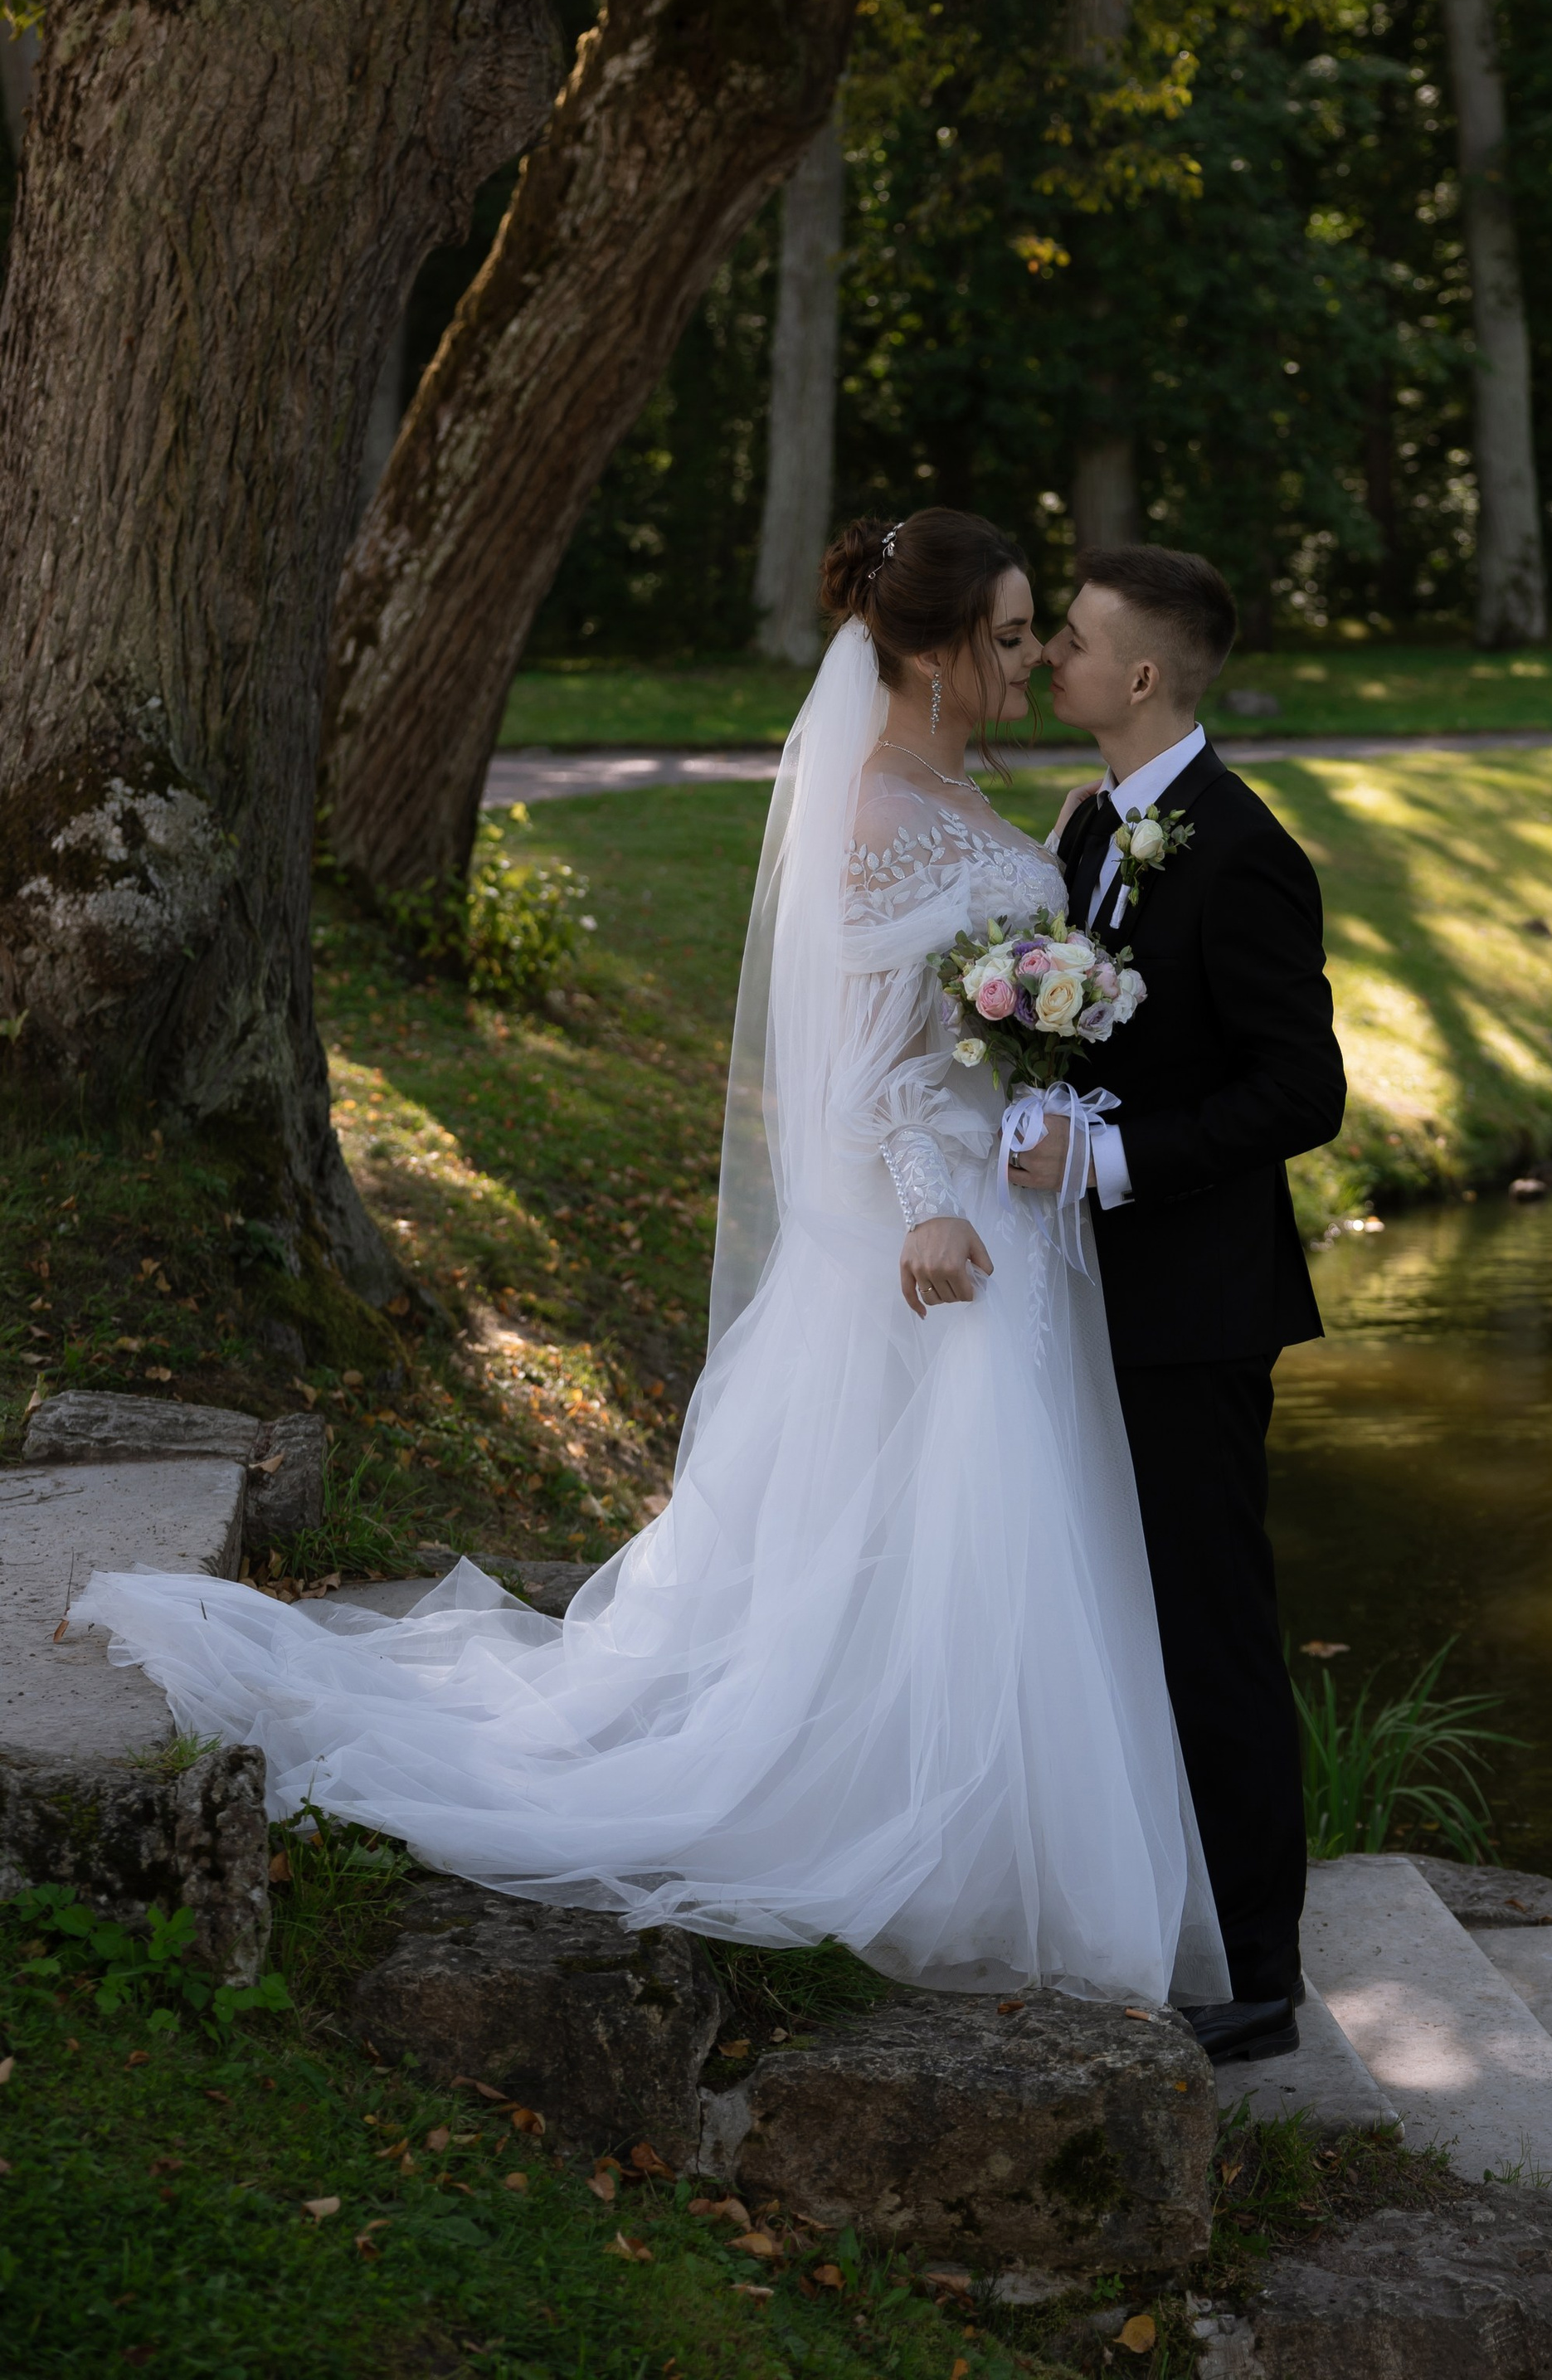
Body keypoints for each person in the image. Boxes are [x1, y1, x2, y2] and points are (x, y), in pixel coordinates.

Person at [75, 511, 1226, 2010]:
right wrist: (932, 1200)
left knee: (971, 1529)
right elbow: (863, 1065)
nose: (1029, 660)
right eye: (1010, 636)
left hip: (1000, 1206)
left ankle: (987, 1833)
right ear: (939, 653)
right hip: (930, 1229)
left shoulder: (967, 791)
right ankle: (924, 1833)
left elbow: (963, 1027)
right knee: (946, 1516)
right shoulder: (876, 813)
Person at [1010, 547, 1345, 2066]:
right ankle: (1152, 1904)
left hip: (1195, 1312)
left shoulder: (1243, 850)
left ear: (1142, 677)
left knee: (1211, 1629)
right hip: (1084, 1293)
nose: (1047, 662)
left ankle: (1261, 1976)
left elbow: (1305, 1090)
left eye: (1071, 643)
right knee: (1115, 1618)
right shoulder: (1099, 824)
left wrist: (1119, 1159)